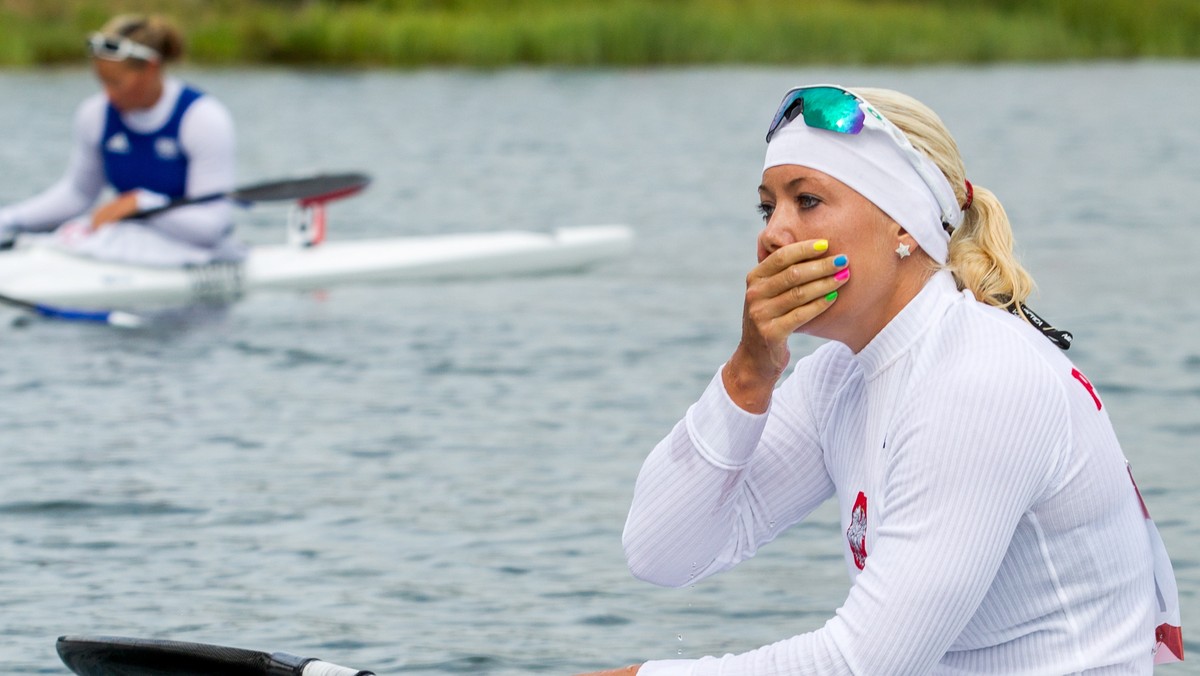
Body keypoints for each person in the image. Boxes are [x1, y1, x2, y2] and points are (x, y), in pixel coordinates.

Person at [581, 85, 1182, 674]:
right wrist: (746, 375)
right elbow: (662, 553)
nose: (772, 233)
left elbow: (866, 663)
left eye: (806, 201)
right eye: (768, 207)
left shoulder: (982, 377)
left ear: (904, 227)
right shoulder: (840, 378)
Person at [0, 14, 242, 266]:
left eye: (115, 82)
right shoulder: (94, 114)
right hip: (129, 240)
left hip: (194, 250)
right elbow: (78, 194)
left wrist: (143, 204)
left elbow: (211, 228)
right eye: (101, 82)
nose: (107, 94)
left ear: (151, 68)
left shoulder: (203, 119)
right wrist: (9, 219)